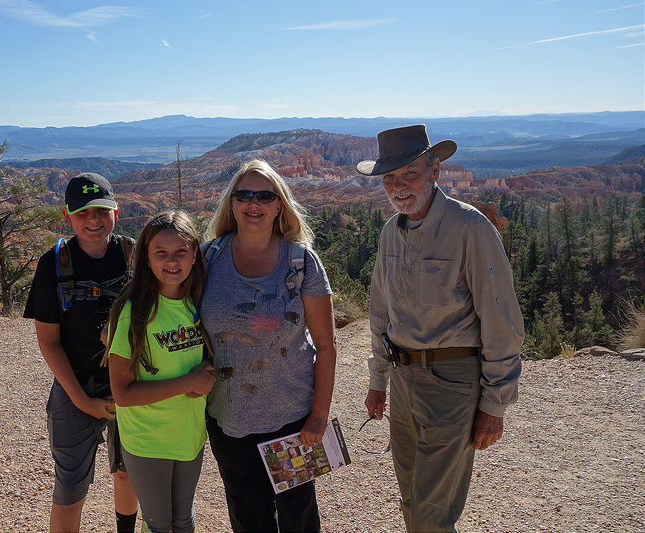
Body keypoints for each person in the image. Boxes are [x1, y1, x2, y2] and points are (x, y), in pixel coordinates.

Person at [359, 125, 524, 532]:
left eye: (409, 174)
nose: (399, 187)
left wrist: (494, 405)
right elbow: (381, 311)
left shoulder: (469, 229)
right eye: (389, 178)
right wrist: (377, 379)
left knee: (433, 510)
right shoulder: (390, 233)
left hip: (452, 383)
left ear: (434, 171)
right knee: (411, 496)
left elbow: (502, 322)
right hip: (403, 380)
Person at [200, 159, 337, 533]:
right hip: (228, 416)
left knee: (298, 517)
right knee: (248, 517)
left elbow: (326, 345)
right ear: (232, 203)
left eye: (264, 195)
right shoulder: (207, 258)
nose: (253, 202)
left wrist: (319, 414)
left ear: (279, 204)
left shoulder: (301, 262)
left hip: (291, 419)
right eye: (244, 195)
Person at [23, 172, 139, 533]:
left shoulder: (133, 254)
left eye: (101, 211)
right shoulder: (53, 264)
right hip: (77, 387)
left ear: (115, 212)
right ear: (67, 215)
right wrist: (82, 400)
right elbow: (50, 342)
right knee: (70, 489)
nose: (93, 220)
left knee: (127, 474)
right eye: (83, 212)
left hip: (131, 385)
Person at [105, 210, 216, 533]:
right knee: (158, 523)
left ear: (195, 254)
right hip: (147, 437)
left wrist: (205, 374)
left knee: (183, 521)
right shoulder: (133, 313)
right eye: (161, 253)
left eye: (181, 251)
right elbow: (122, 393)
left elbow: (208, 354)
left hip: (189, 433)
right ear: (146, 259)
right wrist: (187, 382)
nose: (173, 261)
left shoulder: (198, 301)